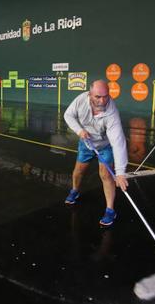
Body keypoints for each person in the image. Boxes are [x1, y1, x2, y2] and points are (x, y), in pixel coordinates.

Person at [64, 80, 128, 226]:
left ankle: (110, 210)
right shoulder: (81, 100)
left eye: (106, 96)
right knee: (78, 171)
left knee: (106, 175)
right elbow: (68, 115)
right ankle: (75, 190)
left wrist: (120, 172)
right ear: (89, 94)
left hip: (105, 146)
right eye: (98, 97)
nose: (102, 100)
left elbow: (118, 142)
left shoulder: (112, 113)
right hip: (86, 142)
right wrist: (79, 130)